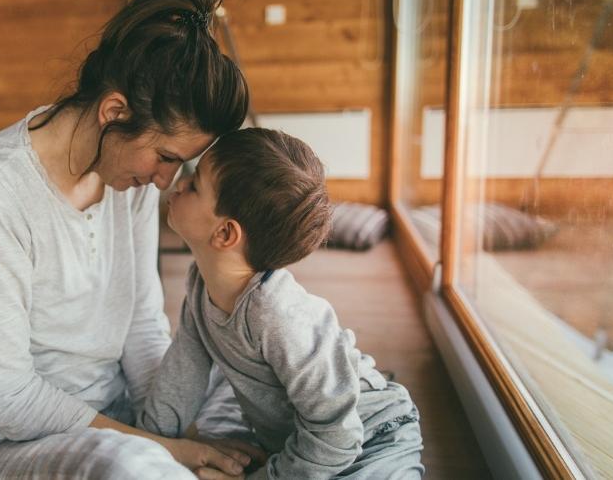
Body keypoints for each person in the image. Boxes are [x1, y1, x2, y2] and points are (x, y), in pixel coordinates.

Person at [0, 0, 255, 478]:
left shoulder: (131, 181)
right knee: (131, 466)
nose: (167, 181)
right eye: (165, 157)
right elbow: (3, 395)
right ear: (114, 111)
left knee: (254, 389)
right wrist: (163, 450)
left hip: (117, 421)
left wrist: (176, 433)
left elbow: (142, 327)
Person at [138, 128, 426, 479]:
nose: (178, 183)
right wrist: (149, 445)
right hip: (302, 445)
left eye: (194, 183)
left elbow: (338, 434)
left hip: (373, 436)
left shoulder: (278, 314)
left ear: (225, 234)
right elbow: (180, 378)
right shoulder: (201, 286)